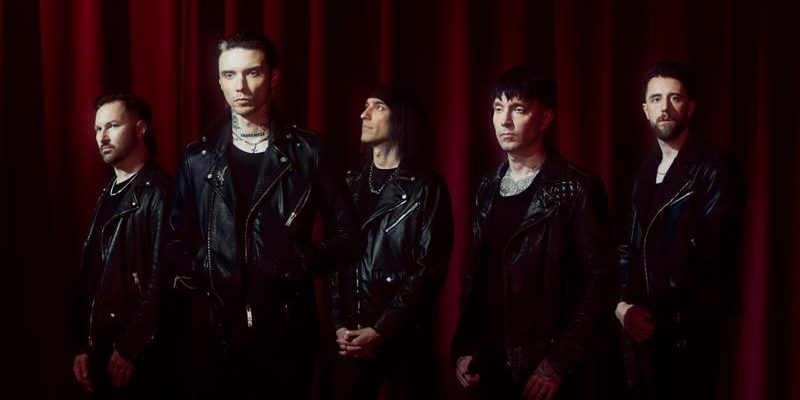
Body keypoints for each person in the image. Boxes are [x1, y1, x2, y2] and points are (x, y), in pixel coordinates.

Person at [164, 30, 359, 399]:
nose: (240, 86)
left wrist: (299, 261)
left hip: (287, 326)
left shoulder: (308, 150)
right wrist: (207, 267)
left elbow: (350, 237)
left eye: (252, 72)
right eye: (229, 75)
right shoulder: (197, 158)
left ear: (273, 76)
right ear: (219, 81)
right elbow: (172, 242)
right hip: (216, 328)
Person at [451, 66, 614, 400]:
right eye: (498, 108)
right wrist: (465, 345)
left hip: (542, 365)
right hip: (488, 360)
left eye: (519, 109)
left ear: (545, 119)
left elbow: (599, 280)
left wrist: (557, 363)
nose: (505, 121)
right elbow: (477, 275)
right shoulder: (487, 186)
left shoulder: (576, 188)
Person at [616, 61, 744, 400]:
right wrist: (623, 306)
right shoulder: (646, 170)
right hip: (644, 332)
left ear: (690, 106)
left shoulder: (713, 167)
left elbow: (710, 255)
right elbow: (628, 246)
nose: (665, 107)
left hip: (689, 331)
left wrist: (649, 310)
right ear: (645, 110)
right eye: (656, 99)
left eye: (675, 98)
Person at [329, 85, 454, 399]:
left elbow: (429, 270)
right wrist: (340, 325)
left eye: (378, 107)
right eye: (365, 105)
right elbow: (336, 259)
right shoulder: (349, 182)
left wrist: (381, 330)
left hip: (404, 344)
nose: (364, 114)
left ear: (401, 119)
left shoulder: (427, 187)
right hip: (350, 343)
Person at [72, 93, 172, 398]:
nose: (102, 137)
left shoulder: (160, 193)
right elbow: (92, 278)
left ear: (140, 128)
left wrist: (130, 346)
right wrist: (82, 346)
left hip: (136, 359)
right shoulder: (107, 193)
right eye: (97, 129)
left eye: (112, 126)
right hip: (100, 351)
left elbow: (163, 281)